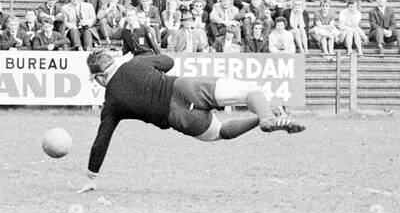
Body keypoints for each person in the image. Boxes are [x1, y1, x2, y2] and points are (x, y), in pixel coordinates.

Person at [77, 49, 304, 193]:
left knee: (220, 132)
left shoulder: (111, 102)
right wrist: (144, 53)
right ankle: (267, 117)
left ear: (99, 77)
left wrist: (91, 177)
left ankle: (260, 121)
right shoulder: (135, 63)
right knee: (251, 91)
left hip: (178, 117)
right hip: (185, 88)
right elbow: (168, 62)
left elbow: (101, 140)